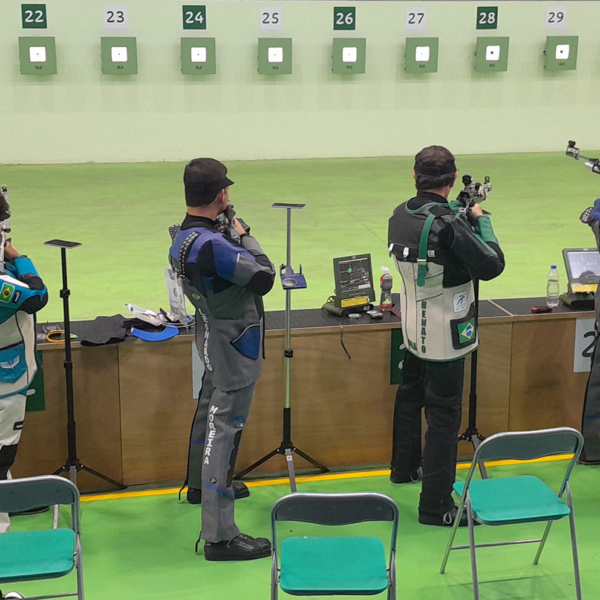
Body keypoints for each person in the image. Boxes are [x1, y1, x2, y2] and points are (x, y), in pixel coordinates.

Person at [387, 146, 505, 526]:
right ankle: (436, 506)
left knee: (410, 395)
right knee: (444, 417)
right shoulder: (450, 224)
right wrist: (480, 219)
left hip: (411, 326)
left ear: (414, 176)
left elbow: (433, 226)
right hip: (447, 334)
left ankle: (403, 468)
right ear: (453, 179)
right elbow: (492, 264)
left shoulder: (400, 214)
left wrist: (456, 212)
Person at [169, 158, 275, 561]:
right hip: (236, 344)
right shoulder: (215, 245)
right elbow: (263, 276)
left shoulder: (182, 237)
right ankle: (220, 535)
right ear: (222, 195)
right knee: (225, 433)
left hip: (211, 336)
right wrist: (246, 236)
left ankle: (200, 486)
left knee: (208, 413)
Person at [0, 189, 48, 534]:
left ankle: (11, 498)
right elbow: (37, 296)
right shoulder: (3, 284)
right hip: (6, 381)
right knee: (3, 449)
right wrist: (20, 257)